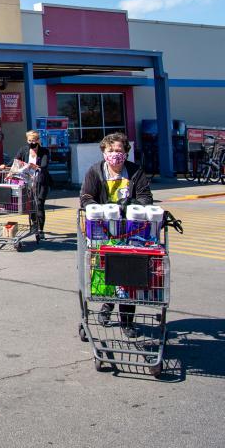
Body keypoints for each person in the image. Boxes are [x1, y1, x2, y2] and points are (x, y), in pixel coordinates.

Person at [79, 132, 153, 338]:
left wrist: (130, 205)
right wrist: (98, 209)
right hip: (102, 231)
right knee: (105, 272)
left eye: (119, 150)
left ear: (126, 152)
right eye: (110, 150)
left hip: (130, 232)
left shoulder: (135, 172)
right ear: (104, 152)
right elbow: (85, 197)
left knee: (129, 275)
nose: (115, 154)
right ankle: (107, 305)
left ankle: (127, 321)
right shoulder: (95, 171)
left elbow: (146, 197)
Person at [10, 130, 51, 239]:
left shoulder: (44, 151)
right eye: (29, 141)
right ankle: (34, 224)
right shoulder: (24, 150)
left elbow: (44, 165)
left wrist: (34, 166)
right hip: (28, 182)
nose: (31, 143)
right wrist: (5, 165)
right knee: (31, 205)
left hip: (40, 182)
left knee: (39, 204)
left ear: (38, 140)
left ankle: (41, 229)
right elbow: (15, 161)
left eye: (34, 141)